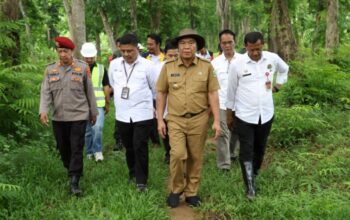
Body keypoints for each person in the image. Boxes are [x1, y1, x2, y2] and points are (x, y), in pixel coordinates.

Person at [156, 29, 220, 208]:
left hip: (199, 119)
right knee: (176, 154)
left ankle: (192, 192)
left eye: (191, 43)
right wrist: (160, 120)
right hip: (175, 119)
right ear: (178, 46)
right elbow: (161, 94)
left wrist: (216, 120)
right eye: (183, 43)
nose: (187, 47)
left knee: (195, 156)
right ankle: (176, 189)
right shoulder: (168, 66)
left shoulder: (206, 67)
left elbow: (213, 93)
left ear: (197, 46)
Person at [226, 32, 289, 199]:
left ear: (263, 45)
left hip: (266, 114)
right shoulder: (237, 64)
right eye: (252, 49)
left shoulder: (272, 58)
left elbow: (285, 70)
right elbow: (231, 91)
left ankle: (254, 173)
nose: (255, 53)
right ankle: (250, 187)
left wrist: (278, 85)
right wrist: (229, 114)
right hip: (244, 115)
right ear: (246, 46)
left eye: (258, 49)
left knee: (260, 148)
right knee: (246, 150)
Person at [39, 36, 98, 196]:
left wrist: (93, 112)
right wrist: (43, 110)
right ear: (57, 51)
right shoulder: (50, 70)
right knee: (64, 149)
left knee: (76, 147)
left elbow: (89, 92)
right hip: (58, 117)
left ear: (72, 51)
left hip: (79, 115)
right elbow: (45, 92)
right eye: (60, 51)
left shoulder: (82, 67)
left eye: (66, 51)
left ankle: (74, 181)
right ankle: (72, 169)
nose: (63, 54)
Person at [108, 33, 157, 192]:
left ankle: (142, 181)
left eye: (130, 51)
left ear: (137, 48)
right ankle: (132, 173)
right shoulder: (114, 65)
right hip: (122, 114)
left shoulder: (148, 66)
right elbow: (113, 84)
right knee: (129, 146)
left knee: (140, 146)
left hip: (142, 113)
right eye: (123, 51)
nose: (127, 54)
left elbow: (155, 89)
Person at [211, 29, 242, 171]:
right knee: (223, 132)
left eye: (230, 42)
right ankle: (224, 164)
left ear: (235, 42)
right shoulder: (215, 63)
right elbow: (211, 85)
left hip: (240, 103)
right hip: (222, 103)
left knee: (236, 130)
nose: (227, 45)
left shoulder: (243, 60)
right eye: (224, 43)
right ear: (220, 44)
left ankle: (232, 153)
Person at [80, 42, 111, 162]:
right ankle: (89, 152)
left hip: (98, 104)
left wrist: (107, 103)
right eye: (87, 57)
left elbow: (106, 87)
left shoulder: (102, 69)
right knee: (87, 130)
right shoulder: (77, 68)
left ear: (95, 56)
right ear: (83, 56)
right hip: (82, 104)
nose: (89, 59)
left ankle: (97, 151)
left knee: (97, 127)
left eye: (91, 57)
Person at [155, 39, 179, 164]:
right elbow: (156, 90)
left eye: (176, 55)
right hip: (164, 105)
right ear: (164, 54)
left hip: (180, 106)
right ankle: (168, 152)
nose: (173, 58)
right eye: (171, 55)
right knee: (166, 131)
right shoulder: (159, 68)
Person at [143, 33, 165, 148]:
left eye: (151, 44)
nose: (149, 46)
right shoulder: (144, 58)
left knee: (162, 115)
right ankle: (155, 141)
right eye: (148, 44)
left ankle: (165, 137)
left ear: (158, 44)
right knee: (151, 117)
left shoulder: (166, 58)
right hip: (148, 93)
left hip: (162, 93)